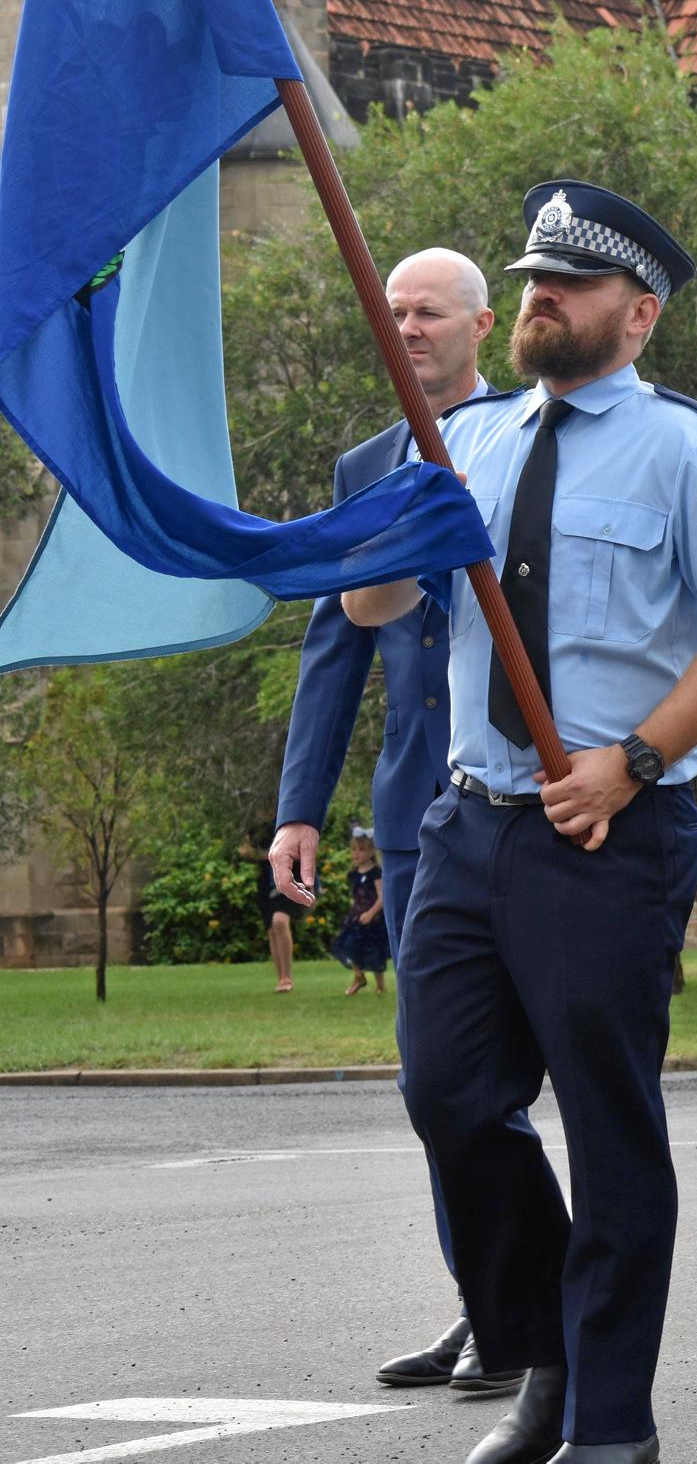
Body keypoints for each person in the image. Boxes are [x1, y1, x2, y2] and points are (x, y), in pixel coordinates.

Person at [344, 180, 697, 1464]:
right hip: (472, 822)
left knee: (607, 1128)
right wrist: (387, 519)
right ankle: (543, 1343)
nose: (539, 298)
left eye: (570, 285)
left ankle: (608, 1420)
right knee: (448, 1098)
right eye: (532, 279)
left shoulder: (685, 448)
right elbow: (379, 610)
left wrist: (638, 760)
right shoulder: (471, 443)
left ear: (636, 314)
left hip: (606, 833)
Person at [266, 247, 517, 1395]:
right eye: (394, 311)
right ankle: (489, 1308)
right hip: (416, 819)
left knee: (529, 1070)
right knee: (444, 1082)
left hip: (533, 799)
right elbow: (336, 645)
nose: (407, 327)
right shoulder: (366, 464)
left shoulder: (535, 433)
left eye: (429, 312)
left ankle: (554, 1310)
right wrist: (300, 811)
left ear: (483, 322)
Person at [247, 828, 305, 993]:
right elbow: (248, 851)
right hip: (266, 884)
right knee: (272, 930)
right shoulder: (257, 828)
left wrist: (262, 855)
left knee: (279, 921)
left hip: (289, 881)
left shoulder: (287, 821)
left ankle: (287, 977)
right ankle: (282, 978)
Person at [333, 828, 390, 995]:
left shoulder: (375, 873)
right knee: (347, 945)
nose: (356, 854)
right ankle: (359, 976)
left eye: (361, 850)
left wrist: (371, 913)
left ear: (371, 851)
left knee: (374, 950)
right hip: (356, 917)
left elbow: (382, 898)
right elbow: (356, 896)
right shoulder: (354, 874)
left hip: (373, 918)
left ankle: (380, 985)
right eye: (354, 850)